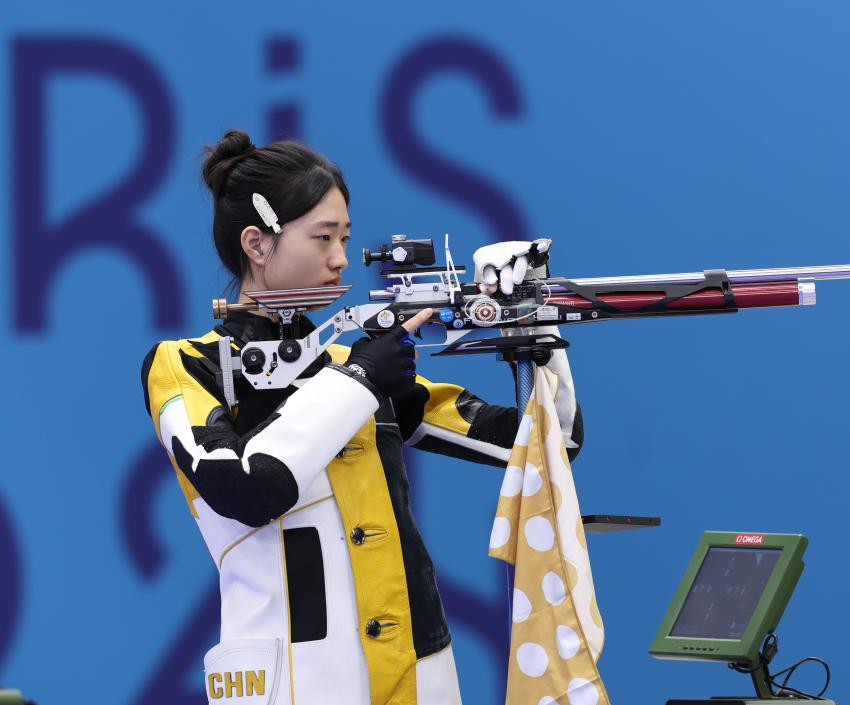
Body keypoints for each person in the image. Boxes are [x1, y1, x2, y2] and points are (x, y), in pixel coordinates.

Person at [140, 130, 583, 705]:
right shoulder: (184, 365)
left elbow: (548, 447)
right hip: (293, 679)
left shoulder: (357, 363)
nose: (341, 259)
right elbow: (246, 488)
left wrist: (535, 330)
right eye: (323, 237)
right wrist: (359, 382)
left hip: (422, 673)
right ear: (257, 244)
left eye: (345, 237)